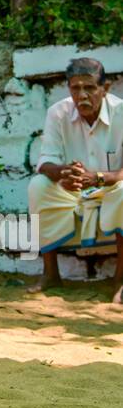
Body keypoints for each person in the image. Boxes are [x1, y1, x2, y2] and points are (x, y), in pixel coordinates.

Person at [28, 57, 123, 302]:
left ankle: (121, 280)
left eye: (89, 88)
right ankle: (51, 274)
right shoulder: (57, 113)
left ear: (105, 88)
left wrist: (99, 178)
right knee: (38, 186)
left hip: (111, 188)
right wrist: (63, 172)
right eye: (75, 88)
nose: (82, 95)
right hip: (73, 191)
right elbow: (45, 162)